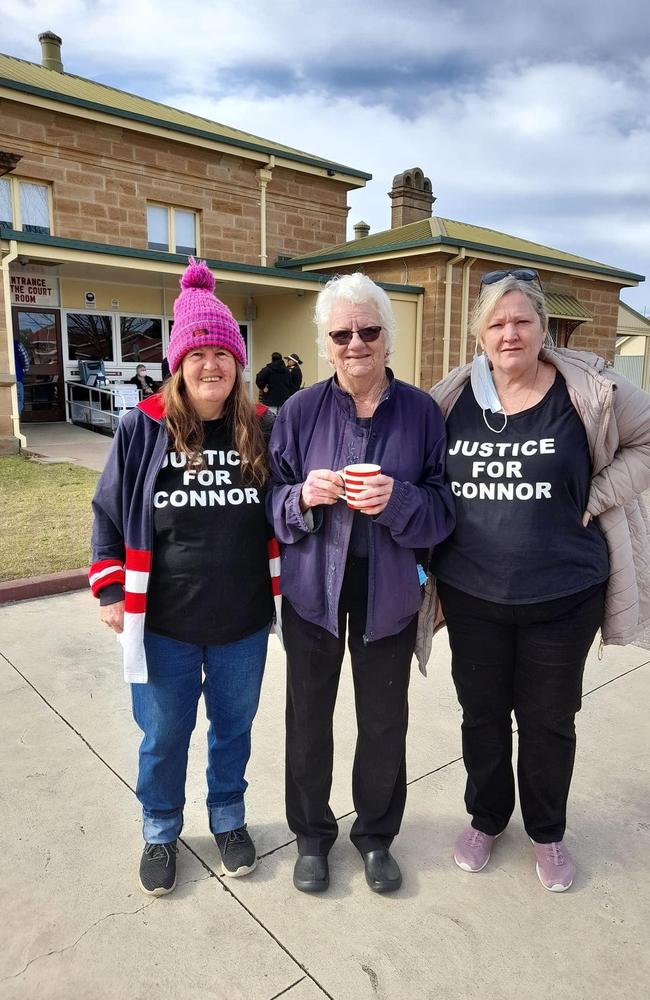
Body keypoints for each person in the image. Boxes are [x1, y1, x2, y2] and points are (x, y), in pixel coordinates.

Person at [430, 267, 650, 892]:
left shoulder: (589, 390)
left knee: (550, 718)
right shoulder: (451, 396)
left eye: (522, 320)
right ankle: (486, 817)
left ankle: (547, 832)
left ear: (543, 328)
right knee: (482, 716)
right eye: (497, 323)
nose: (510, 333)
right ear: (479, 334)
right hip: (472, 594)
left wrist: (599, 492)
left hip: (563, 594)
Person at [89, 258, 276, 897]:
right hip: (162, 623)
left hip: (242, 622)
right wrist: (110, 588)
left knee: (233, 728)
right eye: (196, 353)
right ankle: (161, 828)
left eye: (221, 352)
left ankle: (227, 817)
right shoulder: (141, 428)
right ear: (177, 363)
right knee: (165, 733)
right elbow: (108, 512)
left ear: (237, 361)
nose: (210, 365)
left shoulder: (263, 427)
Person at [267, 273, 455, 894]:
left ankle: (375, 836)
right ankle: (312, 837)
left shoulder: (422, 413)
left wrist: (398, 498)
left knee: (382, 721)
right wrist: (302, 495)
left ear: (387, 337)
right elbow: (268, 503)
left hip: (391, 594)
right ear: (325, 343)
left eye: (368, 331)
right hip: (312, 594)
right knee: (308, 719)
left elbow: (444, 510)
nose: (355, 344)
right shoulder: (297, 411)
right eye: (341, 334)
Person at [13, 337, 30, 415]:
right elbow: (25, 359)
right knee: (19, 400)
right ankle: (16, 422)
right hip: (17, 377)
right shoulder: (17, 344)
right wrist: (25, 370)